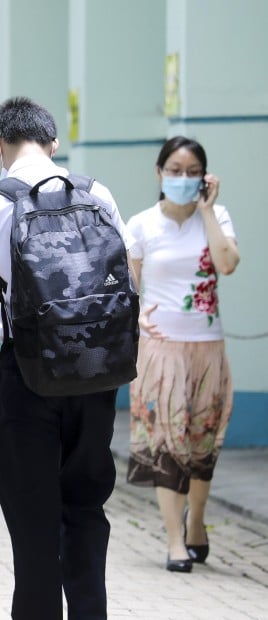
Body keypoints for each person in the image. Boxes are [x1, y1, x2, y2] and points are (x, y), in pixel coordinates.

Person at [0, 97, 124, 620]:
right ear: (51, 142)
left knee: (33, 526)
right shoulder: (98, 194)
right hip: (94, 378)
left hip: (27, 378)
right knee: (85, 507)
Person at [124, 136, 239, 573]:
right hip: (161, 349)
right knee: (167, 441)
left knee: (203, 440)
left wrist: (207, 210)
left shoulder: (217, 217)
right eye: (174, 170)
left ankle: (197, 524)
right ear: (159, 173)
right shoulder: (141, 225)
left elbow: (227, 264)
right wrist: (136, 323)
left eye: (192, 172)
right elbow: (127, 291)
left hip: (208, 348)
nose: (183, 179)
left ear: (205, 178)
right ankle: (175, 540)